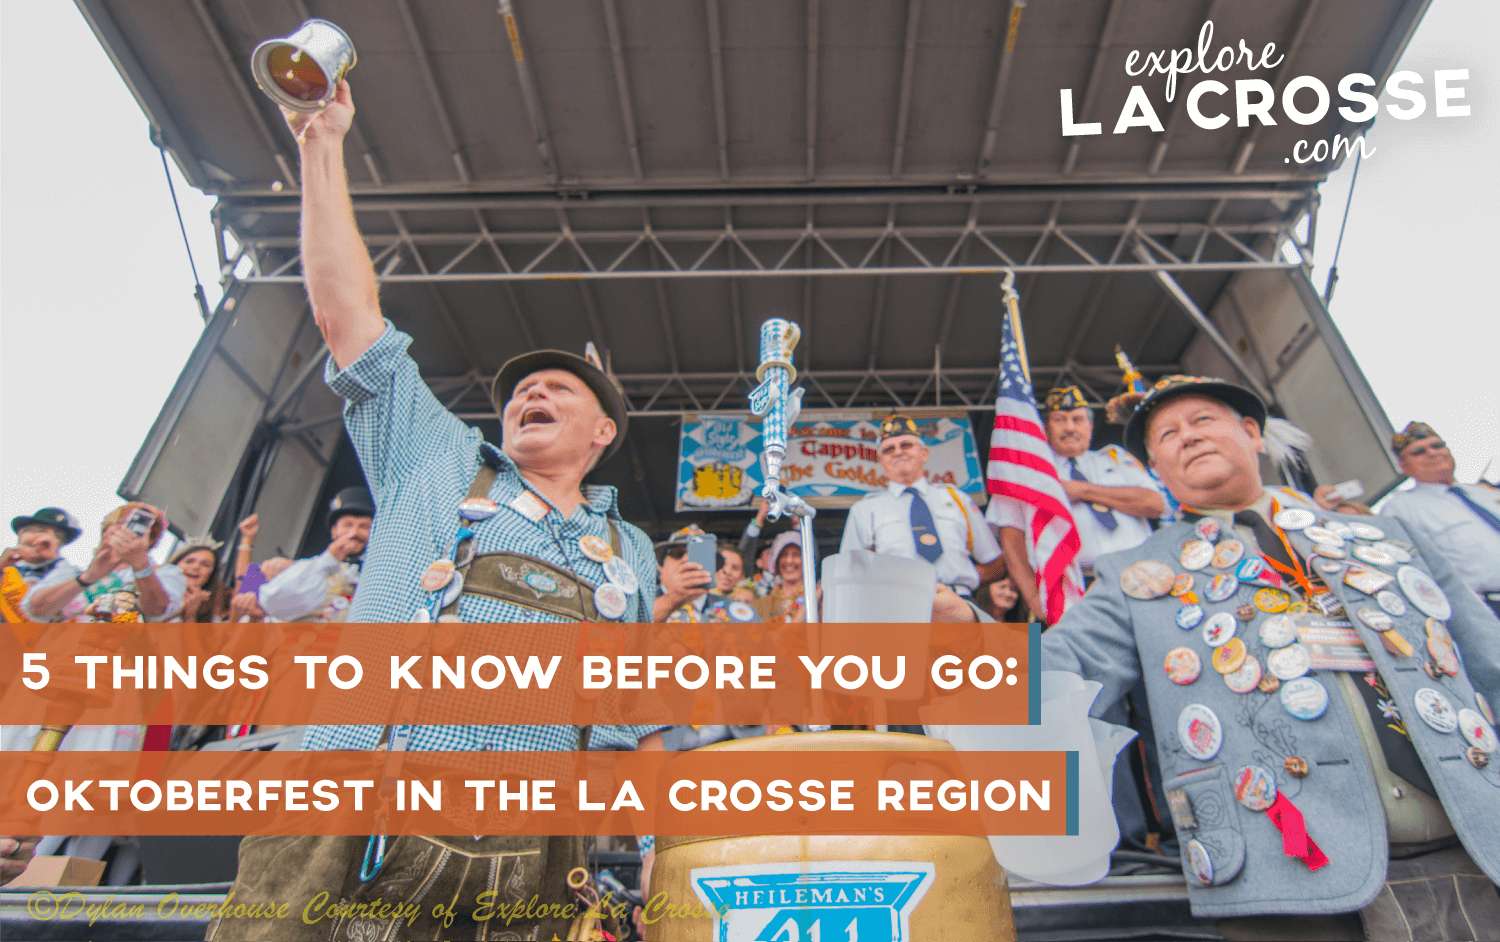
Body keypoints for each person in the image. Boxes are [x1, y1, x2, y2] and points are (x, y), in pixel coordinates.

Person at [207, 80, 663, 941]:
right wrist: (321, 143)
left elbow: (623, 715)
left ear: (602, 430)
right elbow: (347, 317)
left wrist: (656, 846)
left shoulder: (626, 547)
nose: (531, 389)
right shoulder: (437, 457)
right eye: (522, 387)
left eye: (557, 387)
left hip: (531, 845)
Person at [1037, 375, 1500, 939]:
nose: (1187, 437)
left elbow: (1490, 665)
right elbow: (1057, 671)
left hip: (1479, 847)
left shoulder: (1381, 534)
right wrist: (956, 639)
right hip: (1287, 884)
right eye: (1166, 435)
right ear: (1155, 466)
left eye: (1202, 420)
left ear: (1252, 432)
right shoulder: (1136, 575)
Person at [990, 386, 1167, 619]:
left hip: (1142, 577)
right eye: (1060, 420)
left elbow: (1154, 504)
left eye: (1078, 419)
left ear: (1090, 427)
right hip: (1073, 588)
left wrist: (1083, 490)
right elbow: (1012, 546)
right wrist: (1035, 601)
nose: (1070, 427)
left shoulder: (1115, 458)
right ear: (1045, 428)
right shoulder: (1026, 476)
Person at [840, 413, 1004, 622]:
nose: (898, 452)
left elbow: (995, 561)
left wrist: (965, 577)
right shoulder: (864, 509)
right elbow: (850, 574)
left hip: (958, 604)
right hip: (896, 611)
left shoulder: (957, 498)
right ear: (881, 462)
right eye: (889, 449)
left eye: (906, 445)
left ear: (924, 453)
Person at [1378, 422, 1500, 618]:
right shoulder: (1401, 507)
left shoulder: (1486, 494)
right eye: (1418, 451)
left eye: (1437, 445)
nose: (1432, 453)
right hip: (1488, 609)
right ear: (1403, 466)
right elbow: (1411, 570)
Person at [24, 503, 185, 624]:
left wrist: (140, 566)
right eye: (120, 522)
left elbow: (156, 610)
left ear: (150, 539)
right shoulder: (69, 571)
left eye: (137, 526)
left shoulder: (166, 574)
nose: (124, 530)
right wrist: (88, 577)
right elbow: (37, 610)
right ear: (105, 529)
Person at [254, 486, 373, 623]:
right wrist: (329, 560)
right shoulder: (307, 568)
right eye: (347, 525)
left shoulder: (378, 574)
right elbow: (272, 604)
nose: (354, 533)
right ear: (334, 531)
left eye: (364, 527)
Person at [2, 507, 82, 626]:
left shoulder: (72, 576)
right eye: (37, 531)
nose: (40, 540)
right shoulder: (6, 569)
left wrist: (53, 559)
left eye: (58, 536)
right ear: (21, 534)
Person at [167, 539, 223, 623]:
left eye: (205, 565)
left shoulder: (213, 621)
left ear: (210, 576)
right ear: (175, 565)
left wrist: (190, 616)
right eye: (189, 561)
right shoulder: (149, 592)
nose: (196, 567)